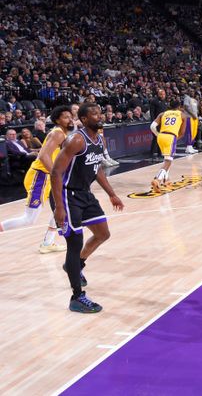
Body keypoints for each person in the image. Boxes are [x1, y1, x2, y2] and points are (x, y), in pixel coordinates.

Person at [51, 103, 124, 313]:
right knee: (74, 243)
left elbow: (97, 168)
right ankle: (77, 297)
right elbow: (55, 173)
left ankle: (76, 264)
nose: (99, 116)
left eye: (100, 112)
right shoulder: (76, 140)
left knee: (103, 233)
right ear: (83, 119)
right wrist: (58, 207)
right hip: (67, 194)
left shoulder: (99, 139)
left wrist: (112, 194)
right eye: (94, 113)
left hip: (84, 194)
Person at [0, 105, 73, 254]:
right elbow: (43, 156)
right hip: (41, 176)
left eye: (71, 116)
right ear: (57, 120)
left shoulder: (63, 134)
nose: (70, 119)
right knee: (29, 219)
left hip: (47, 176)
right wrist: (56, 175)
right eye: (66, 117)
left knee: (63, 207)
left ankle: (47, 242)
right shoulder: (58, 133)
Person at [149, 99, 188, 192]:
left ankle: (166, 180)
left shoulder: (162, 114)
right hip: (170, 137)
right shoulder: (182, 115)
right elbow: (182, 132)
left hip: (161, 136)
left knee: (166, 158)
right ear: (179, 107)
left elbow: (152, 126)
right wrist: (175, 139)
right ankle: (157, 179)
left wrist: (158, 135)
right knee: (168, 162)